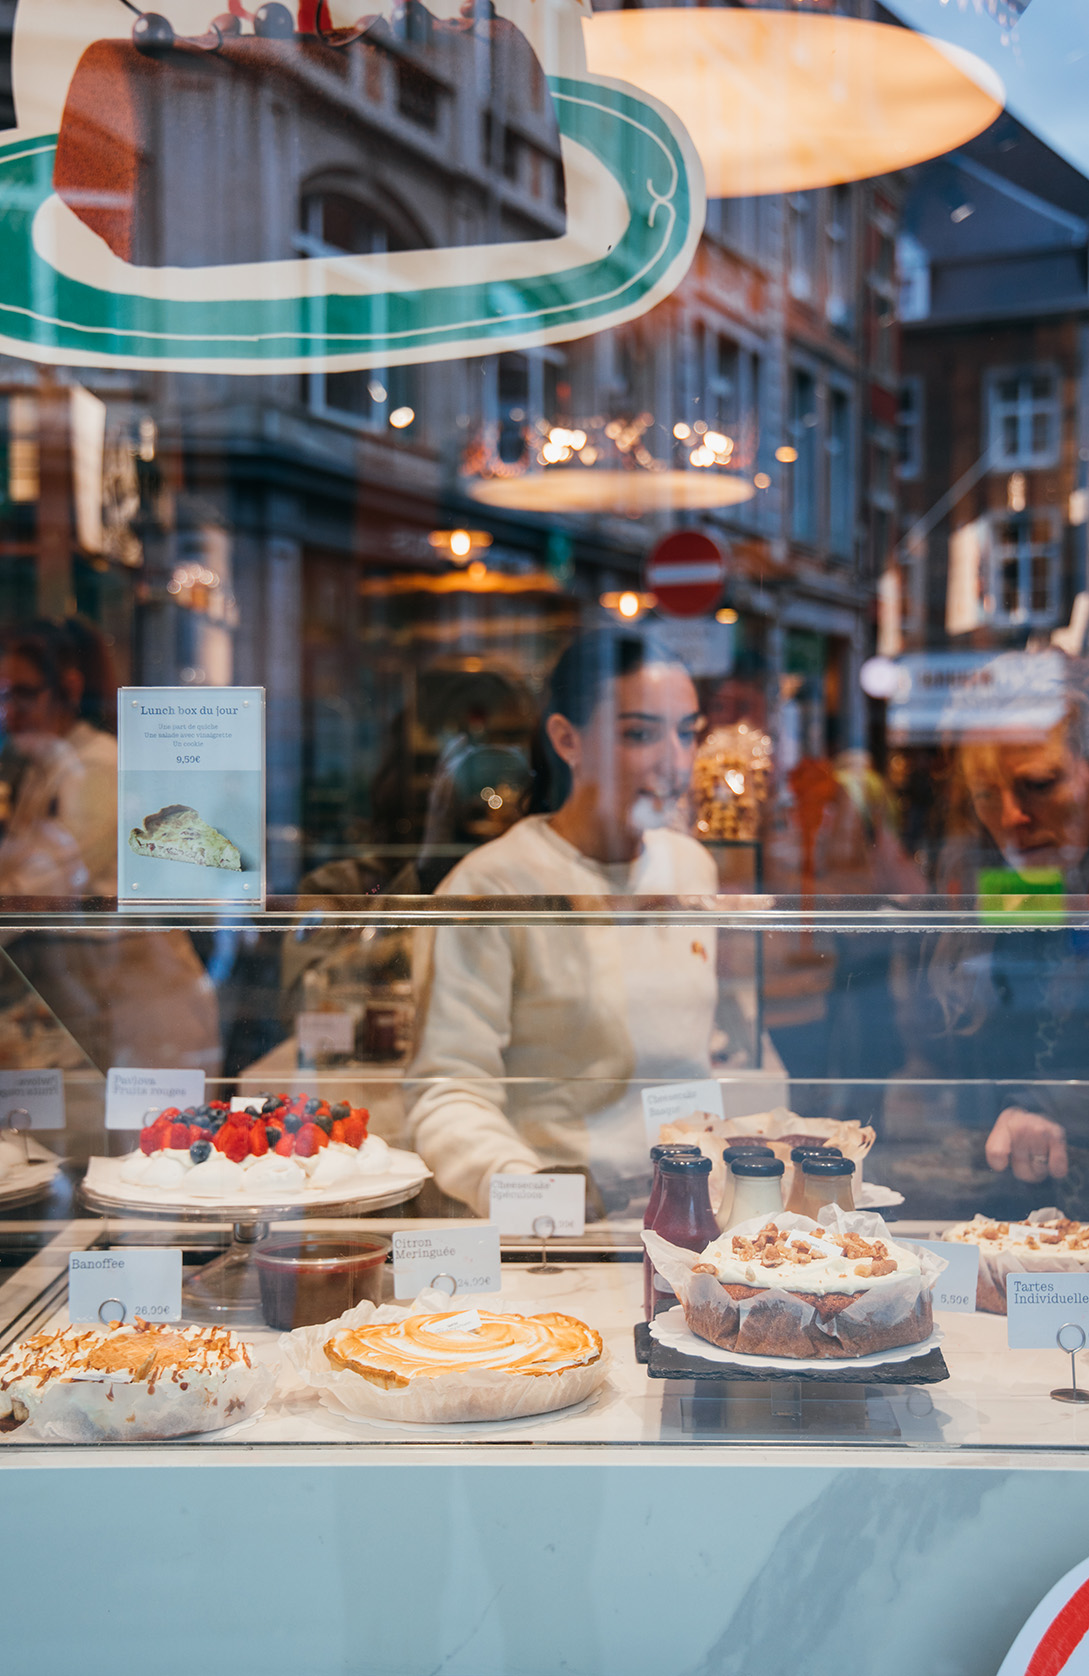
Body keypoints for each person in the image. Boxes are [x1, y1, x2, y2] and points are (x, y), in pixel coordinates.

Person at [406, 628, 724, 1218]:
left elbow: (687, 1057)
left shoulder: (690, 866)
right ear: (566, 740)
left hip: (688, 1210)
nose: (675, 762)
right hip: (558, 1230)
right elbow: (446, 1088)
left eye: (687, 733)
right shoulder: (493, 886)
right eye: (640, 734)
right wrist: (533, 1194)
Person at [895, 651, 1089, 1210]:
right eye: (985, 793)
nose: (1009, 817)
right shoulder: (1018, 884)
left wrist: (1049, 1105)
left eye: (1038, 783)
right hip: (1017, 1202)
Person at [0, 617, 118, 896]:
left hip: (108, 941)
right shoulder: (43, 762)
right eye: (4, 696)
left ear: (70, 688)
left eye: (24, 694)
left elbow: (39, 890)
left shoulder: (96, 766)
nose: (9, 713)